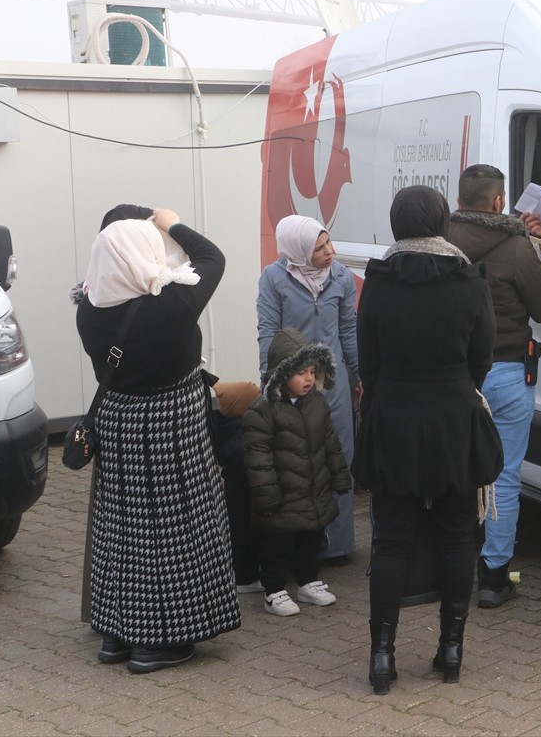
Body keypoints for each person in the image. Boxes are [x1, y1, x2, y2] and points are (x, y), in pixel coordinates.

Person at [73, 209, 239, 674]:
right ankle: (160, 642)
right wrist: (170, 223)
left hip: (118, 423)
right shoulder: (171, 306)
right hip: (171, 426)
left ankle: (118, 636)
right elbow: (213, 257)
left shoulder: (89, 308)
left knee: (121, 528)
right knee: (174, 529)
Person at [352, 185, 503, 694]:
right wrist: (457, 388)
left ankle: (381, 656)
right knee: (459, 534)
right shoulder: (469, 279)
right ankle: (451, 649)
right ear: (442, 222)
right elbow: (483, 355)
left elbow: (367, 363)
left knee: (391, 540)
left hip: (394, 417)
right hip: (454, 420)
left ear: (396, 224)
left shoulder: (378, 281)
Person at [446, 164, 541, 609]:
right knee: (504, 477)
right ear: (498, 202)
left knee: (453, 473)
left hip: (454, 376)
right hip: (508, 372)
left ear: (460, 201)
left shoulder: (442, 241)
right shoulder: (517, 249)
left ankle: (449, 566)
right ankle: (494, 578)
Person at [256, 215, 361, 566]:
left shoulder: (343, 278)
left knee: (338, 458)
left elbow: (349, 330)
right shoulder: (274, 278)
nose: (330, 252)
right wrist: (270, 382)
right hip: (291, 385)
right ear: (298, 250)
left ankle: (338, 545)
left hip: (334, 386)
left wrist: (359, 376)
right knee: (297, 463)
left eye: (329, 242)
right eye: (319, 248)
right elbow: (268, 332)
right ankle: (300, 546)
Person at [240, 328, 350, 617]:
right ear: (281, 373)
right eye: (301, 373)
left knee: (311, 540)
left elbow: (331, 443)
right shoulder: (263, 411)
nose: (309, 379)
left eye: (313, 371)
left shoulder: (317, 403)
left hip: (314, 491)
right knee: (277, 546)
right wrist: (268, 495)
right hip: (281, 496)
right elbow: (257, 458)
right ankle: (273, 591)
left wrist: (340, 477)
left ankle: (308, 581)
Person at [209, 379, 265, 594]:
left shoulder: (227, 429)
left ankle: (245, 573)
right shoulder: (241, 437)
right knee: (244, 537)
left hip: (237, 494)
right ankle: (244, 579)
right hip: (242, 496)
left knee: (242, 537)